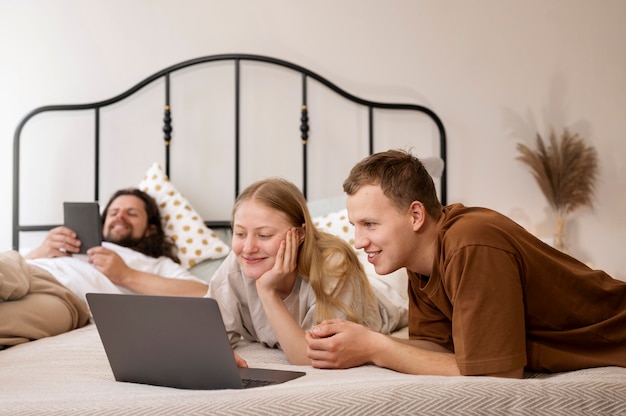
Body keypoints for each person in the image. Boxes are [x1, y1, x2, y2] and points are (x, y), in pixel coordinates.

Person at [305, 149, 626, 378]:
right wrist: (363, 340)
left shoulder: (471, 243)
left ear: (415, 215)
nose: (359, 242)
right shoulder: (421, 264)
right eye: (355, 226)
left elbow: (499, 371)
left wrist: (374, 348)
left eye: (370, 225)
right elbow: (439, 348)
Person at [206, 178, 405, 366]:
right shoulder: (238, 262)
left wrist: (268, 292)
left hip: (386, 292)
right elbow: (206, 334)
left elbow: (310, 357)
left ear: (300, 234)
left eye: (264, 235)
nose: (248, 247)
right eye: (240, 233)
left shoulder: (334, 265)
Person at [0, 188, 208, 348]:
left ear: (149, 230)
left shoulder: (156, 264)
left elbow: (205, 294)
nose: (120, 216)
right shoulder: (70, 244)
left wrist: (127, 275)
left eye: (131, 213)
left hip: (69, 302)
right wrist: (38, 252)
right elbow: (19, 266)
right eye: (114, 212)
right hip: (27, 270)